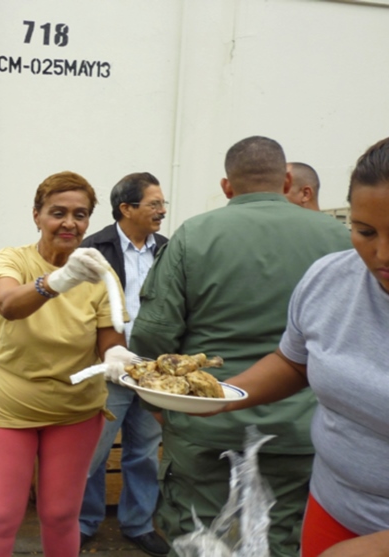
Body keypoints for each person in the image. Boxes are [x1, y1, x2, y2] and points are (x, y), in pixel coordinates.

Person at [129, 136, 352, 556]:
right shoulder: (338, 238)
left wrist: (161, 404)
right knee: (281, 539)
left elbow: (153, 336)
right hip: (300, 427)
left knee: (201, 538)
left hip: (205, 424)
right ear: (287, 181)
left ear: (227, 186)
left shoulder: (194, 235)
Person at [222, 133, 389, 557]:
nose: (384, 253)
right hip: (333, 508)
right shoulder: (329, 278)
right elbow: (293, 362)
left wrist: (386, 549)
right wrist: (220, 394)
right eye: (364, 231)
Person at [0, 170, 133, 557]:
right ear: (37, 215)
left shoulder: (100, 272)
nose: (69, 223)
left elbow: (110, 336)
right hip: (9, 405)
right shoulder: (12, 259)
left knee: (61, 515)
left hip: (75, 409)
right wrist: (59, 280)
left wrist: (116, 354)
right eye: (58, 213)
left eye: (80, 214)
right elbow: (8, 304)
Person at [78, 172, 170, 556]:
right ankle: (84, 523)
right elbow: (78, 308)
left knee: (144, 452)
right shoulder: (93, 249)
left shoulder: (167, 249)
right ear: (126, 208)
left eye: (163, 204)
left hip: (152, 371)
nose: (162, 211)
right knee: (93, 453)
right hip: (109, 367)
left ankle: (138, 524)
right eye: (154, 204)